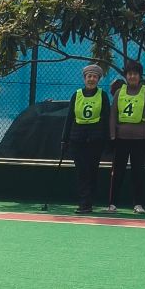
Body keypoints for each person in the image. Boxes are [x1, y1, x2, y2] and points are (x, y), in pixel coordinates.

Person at [60, 64, 110, 216]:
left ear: (98, 79)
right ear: (84, 78)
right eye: (89, 76)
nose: (91, 79)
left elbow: (107, 118)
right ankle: (84, 203)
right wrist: (64, 139)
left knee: (92, 171)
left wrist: (108, 140)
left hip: (95, 140)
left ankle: (89, 201)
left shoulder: (103, 95)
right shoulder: (76, 95)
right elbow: (70, 118)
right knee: (82, 171)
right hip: (77, 139)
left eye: (95, 77)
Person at [109, 61, 145, 215]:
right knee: (118, 172)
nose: (132, 76)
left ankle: (138, 204)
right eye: (129, 74)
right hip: (121, 138)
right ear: (126, 76)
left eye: (135, 74)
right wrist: (113, 136)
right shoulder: (118, 92)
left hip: (140, 140)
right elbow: (113, 115)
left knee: (138, 172)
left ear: (140, 76)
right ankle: (112, 203)